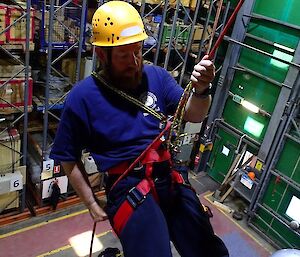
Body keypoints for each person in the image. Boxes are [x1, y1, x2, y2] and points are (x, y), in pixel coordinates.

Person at [50, 1, 229, 257]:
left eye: (138, 51)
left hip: (169, 174)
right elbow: (67, 157)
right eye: (124, 55)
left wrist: (201, 90)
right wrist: (90, 201)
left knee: (209, 251)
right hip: (128, 185)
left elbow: (192, 113)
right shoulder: (82, 98)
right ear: (101, 54)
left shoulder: (156, 76)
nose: (135, 61)